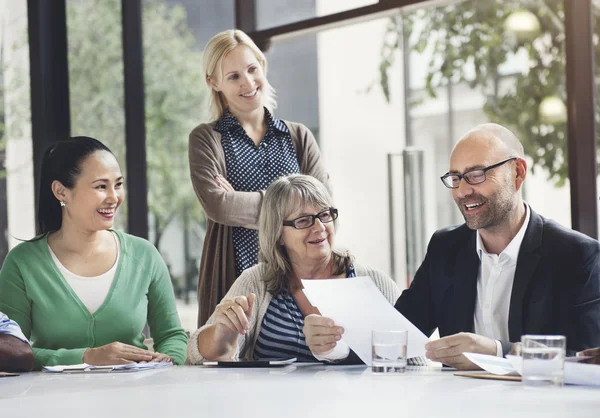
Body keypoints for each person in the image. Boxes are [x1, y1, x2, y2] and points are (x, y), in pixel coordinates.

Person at [304, 123, 600, 369]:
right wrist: (334, 346)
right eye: (455, 178)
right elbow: (397, 334)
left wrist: (497, 351)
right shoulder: (445, 247)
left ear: (518, 173)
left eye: (476, 175)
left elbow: (583, 357)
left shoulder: (575, 255)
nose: (462, 191)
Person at [0, 137, 188, 370]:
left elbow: (172, 336)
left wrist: (167, 359)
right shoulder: (23, 263)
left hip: (136, 398)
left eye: (118, 185)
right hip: (49, 401)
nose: (114, 197)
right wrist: (87, 357)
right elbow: (11, 352)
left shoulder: (144, 255)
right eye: (101, 186)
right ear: (61, 191)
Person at [189, 29, 330, 327]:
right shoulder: (206, 139)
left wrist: (244, 203)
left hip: (299, 274)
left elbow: (323, 204)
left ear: (262, 67)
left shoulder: (299, 136)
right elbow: (219, 206)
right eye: (233, 76)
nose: (248, 82)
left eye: (252, 69)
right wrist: (293, 209)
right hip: (234, 273)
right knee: (233, 361)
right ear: (213, 82)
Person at [187, 174, 399, 363]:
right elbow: (195, 354)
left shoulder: (374, 281)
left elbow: (412, 361)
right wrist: (222, 334)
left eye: (324, 215)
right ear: (278, 234)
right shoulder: (256, 281)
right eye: (304, 220)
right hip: (274, 406)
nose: (319, 228)